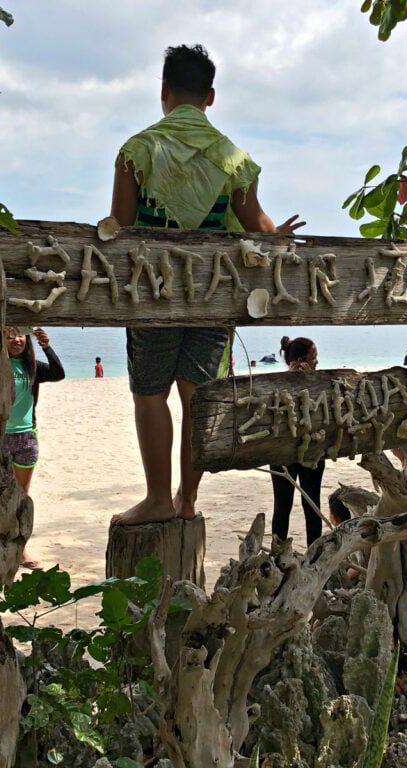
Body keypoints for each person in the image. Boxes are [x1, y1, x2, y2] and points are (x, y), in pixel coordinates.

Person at [108, 43, 304, 526]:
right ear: (210, 97)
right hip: (213, 293)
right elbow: (256, 223)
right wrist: (276, 237)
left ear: (164, 92)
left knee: (150, 393)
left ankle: (157, 498)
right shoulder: (233, 160)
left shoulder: (138, 151)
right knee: (197, 393)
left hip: (152, 290)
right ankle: (187, 501)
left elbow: (121, 225)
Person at [4, 327, 65, 568]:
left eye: (20, 335)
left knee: (21, 496)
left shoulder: (32, 367)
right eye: (9, 335)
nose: (15, 340)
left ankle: (20, 549)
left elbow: (59, 373)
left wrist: (46, 346)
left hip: (27, 437)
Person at [269, 337, 325, 545]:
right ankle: (277, 556)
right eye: (314, 357)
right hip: (284, 452)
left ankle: (313, 555)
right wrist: (291, 379)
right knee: (284, 506)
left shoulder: (319, 383)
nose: (317, 362)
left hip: (311, 450)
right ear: (302, 359)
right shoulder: (276, 384)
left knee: (311, 506)